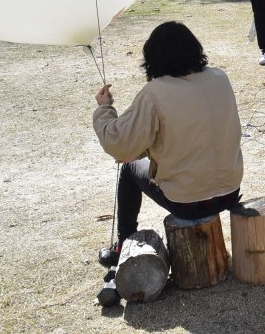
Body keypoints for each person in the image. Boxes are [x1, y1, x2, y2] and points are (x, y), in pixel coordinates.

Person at [93, 22, 243, 266]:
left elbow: (119, 144)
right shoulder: (219, 77)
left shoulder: (155, 92)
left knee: (130, 170)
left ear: (153, 57)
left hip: (189, 201)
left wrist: (105, 109)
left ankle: (124, 244)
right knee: (136, 161)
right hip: (230, 190)